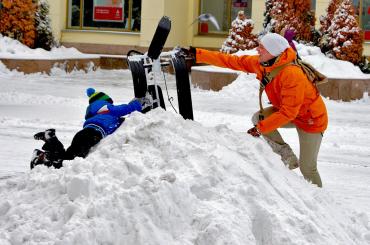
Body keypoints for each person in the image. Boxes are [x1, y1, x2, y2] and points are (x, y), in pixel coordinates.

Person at [184, 33, 328, 187]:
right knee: (259, 118)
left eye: (262, 48)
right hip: (290, 112)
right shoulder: (262, 63)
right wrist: (198, 54)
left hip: (311, 120)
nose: (257, 50)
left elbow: (288, 112)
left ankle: (321, 202)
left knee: (308, 168)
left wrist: (260, 130)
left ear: (273, 52)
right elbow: (232, 61)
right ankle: (287, 156)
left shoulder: (292, 74)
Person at [30, 88, 152, 169]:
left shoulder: (97, 113)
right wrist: (139, 104)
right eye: (110, 102)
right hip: (91, 134)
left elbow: (120, 121)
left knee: (69, 154)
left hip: (85, 133)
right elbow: (123, 109)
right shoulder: (106, 108)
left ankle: (50, 140)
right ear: (104, 101)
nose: (111, 104)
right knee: (71, 160)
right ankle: (48, 156)